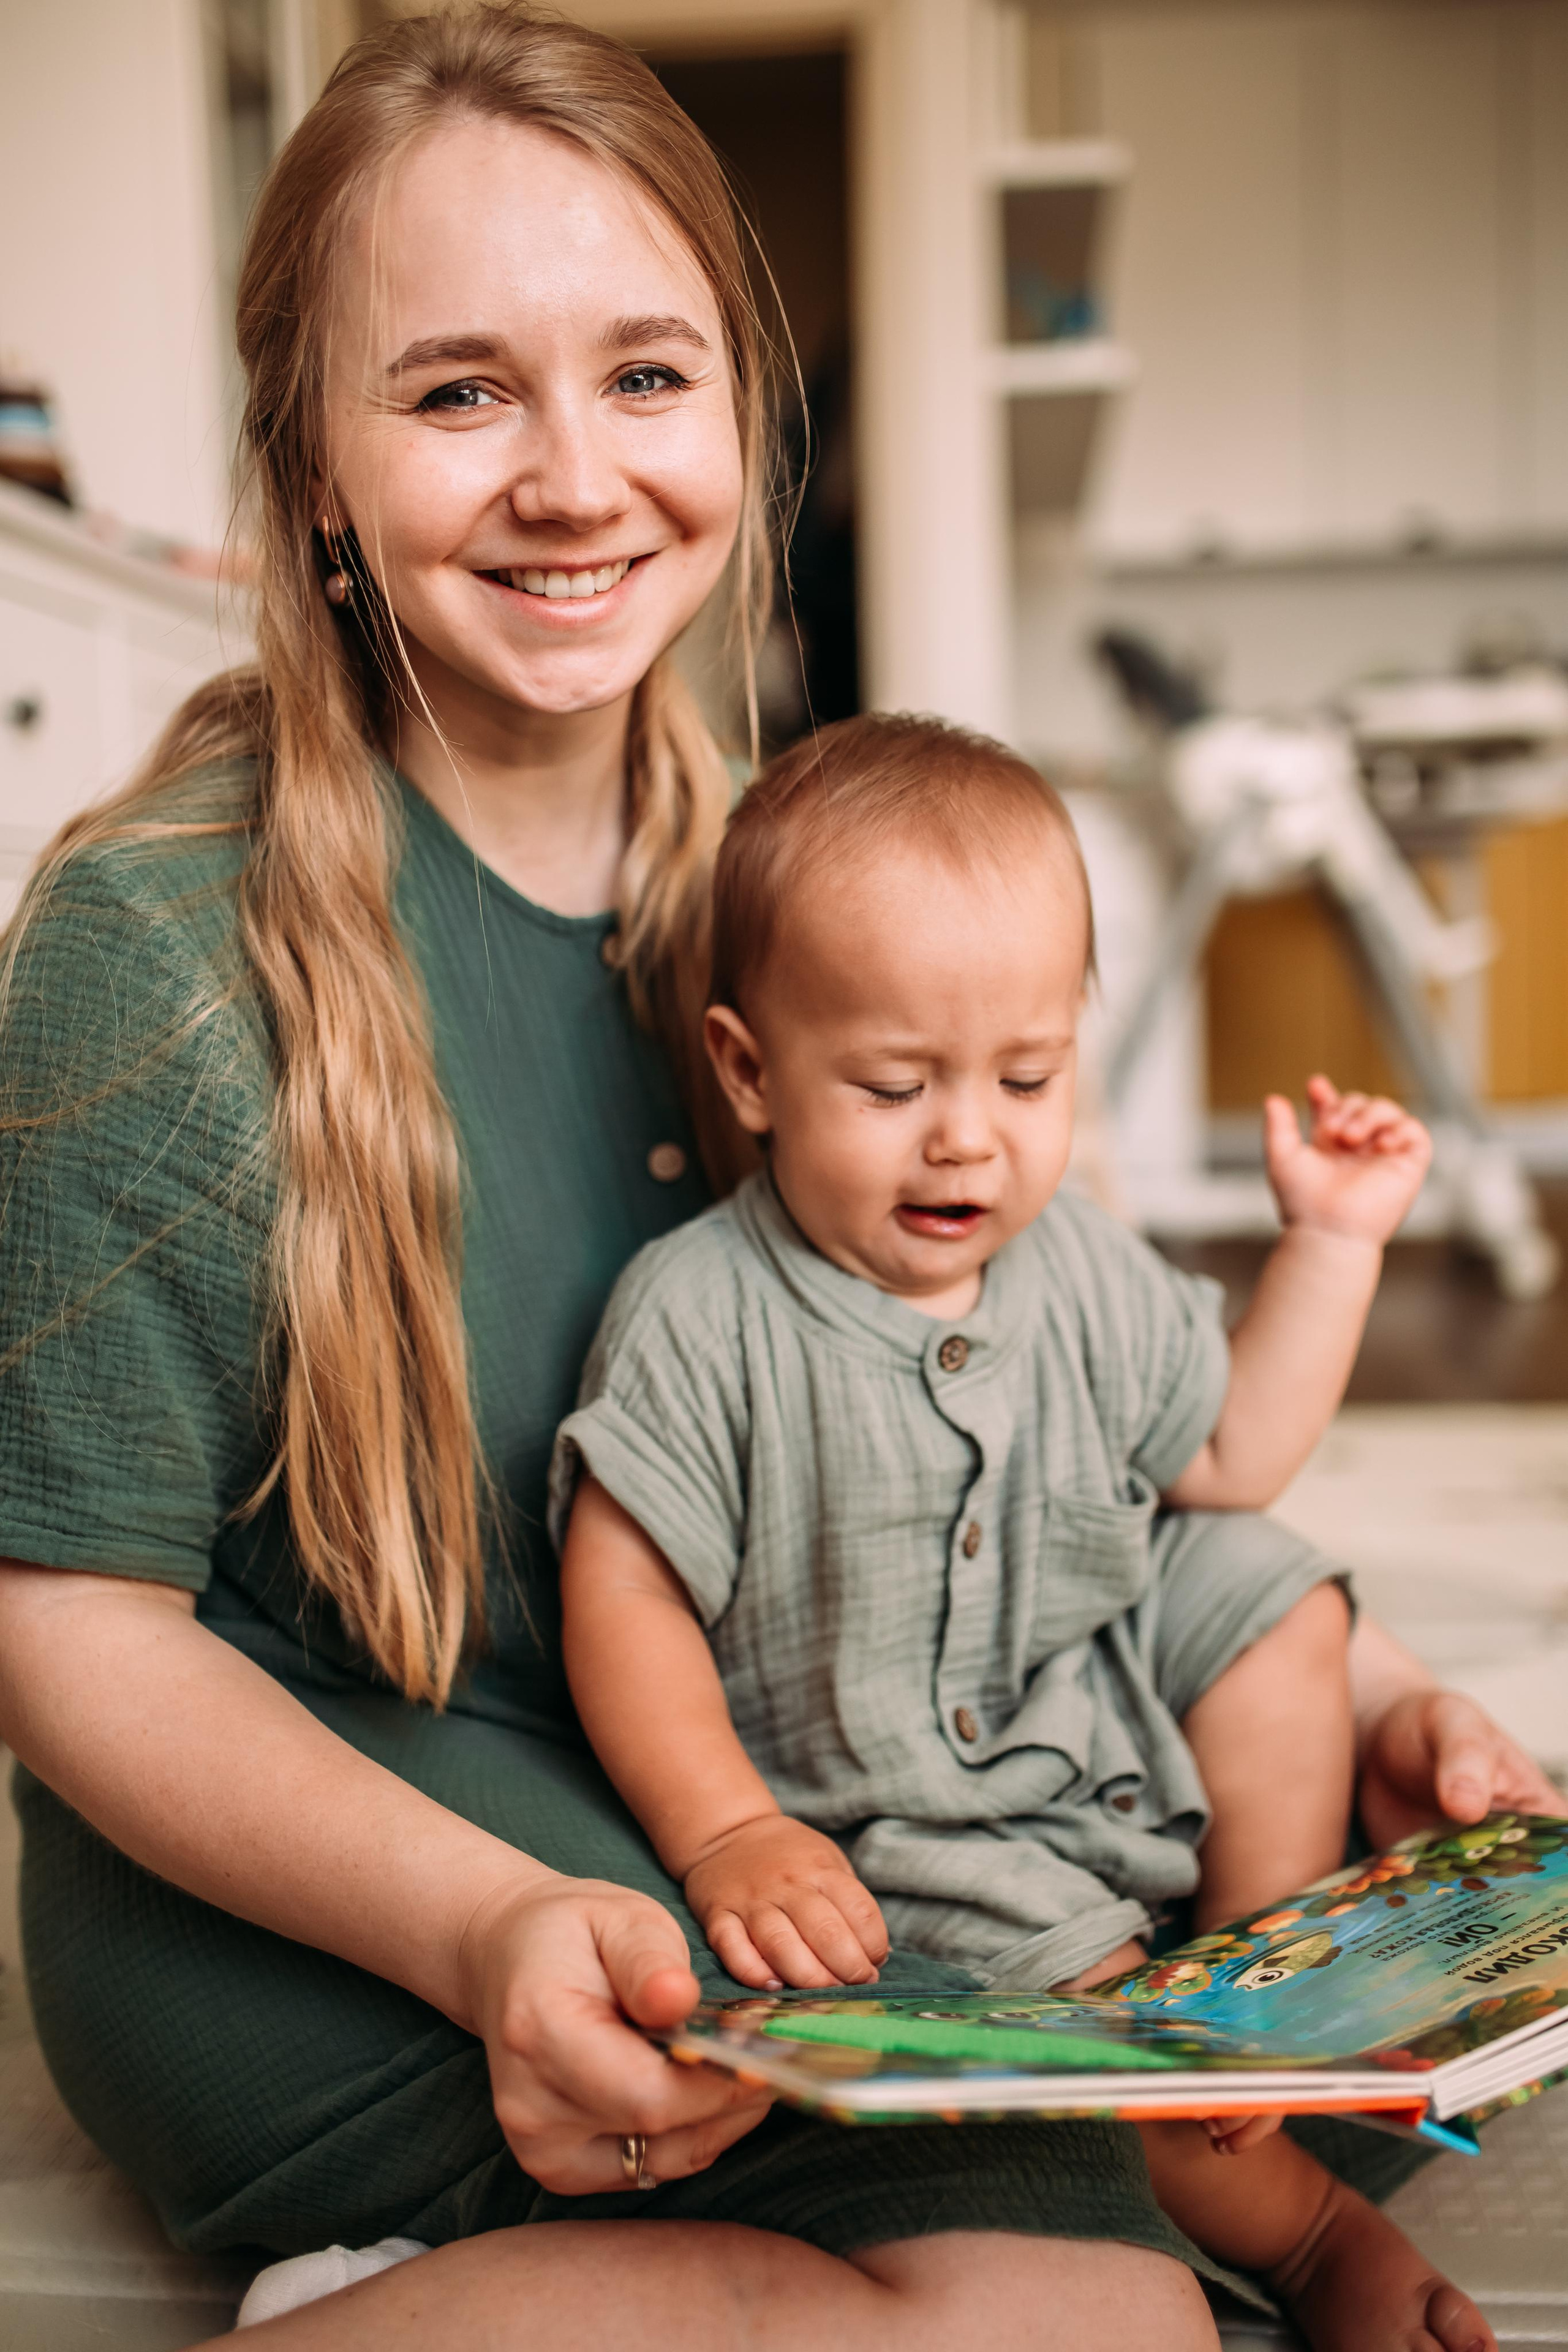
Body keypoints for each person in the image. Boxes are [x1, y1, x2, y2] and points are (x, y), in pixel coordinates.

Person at [0, 10, 1553, 2350]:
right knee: (1093, 2319)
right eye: (454, 394)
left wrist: (1371, 1690)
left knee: (1263, 2088)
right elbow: (62, 1626)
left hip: (736, 1794)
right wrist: (479, 1930)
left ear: (740, 414)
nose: (571, 479)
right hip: (356, 1873)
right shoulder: (161, 949)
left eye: (647, 376)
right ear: (312, 470)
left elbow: (1031, 1385)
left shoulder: (781, 891)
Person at [549, 711, 1488, 2350]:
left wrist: (1331, 1246)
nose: (968, 1135)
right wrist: (727, 1837)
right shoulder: (700, 1315)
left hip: (1096, 1718)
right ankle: (1310, 2232)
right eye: (896, 1085)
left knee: (1278, 1597)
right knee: (1099, 2039)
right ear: (751, 1069)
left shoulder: (1080, 1262)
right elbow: (620, 1594)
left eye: (1029, 1077)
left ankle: (1251, 1974)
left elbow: (1230, 1458)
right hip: (916, 1830)